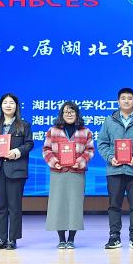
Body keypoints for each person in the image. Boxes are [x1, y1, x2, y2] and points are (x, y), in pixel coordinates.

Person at [96, 87, 133, 249]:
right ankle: (114, 236)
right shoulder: (109, 121)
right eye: (123, 98)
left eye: (129, 98)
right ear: (118, 101)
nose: (126, 101)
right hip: (114, 170)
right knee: (114, 205)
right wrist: (110, 157)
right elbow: (102, 143)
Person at [0, 92, 33, 250]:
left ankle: (13, 239)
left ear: (16, 106)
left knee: (14, 206)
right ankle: (2, 239)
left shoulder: (24, 125)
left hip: (15, 170)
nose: (8, 105)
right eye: (5, 102)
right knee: (0, 207)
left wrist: (16, 152)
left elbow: (29, 144)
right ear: (1, 106)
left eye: (11, 102)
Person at [42, 102, 95, 249]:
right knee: (58, 205)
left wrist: (81, 161)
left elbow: (90, 150)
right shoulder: (53, 131)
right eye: (66, 112)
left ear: (77, 114)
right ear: (61, 114)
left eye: (72, 112)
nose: (69, 114)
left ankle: (71, 239)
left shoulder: (85, 131)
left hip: (76, 173)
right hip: (58, 172)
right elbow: (46, 149)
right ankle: (61, 239)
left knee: (75, 206)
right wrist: (54, 162)